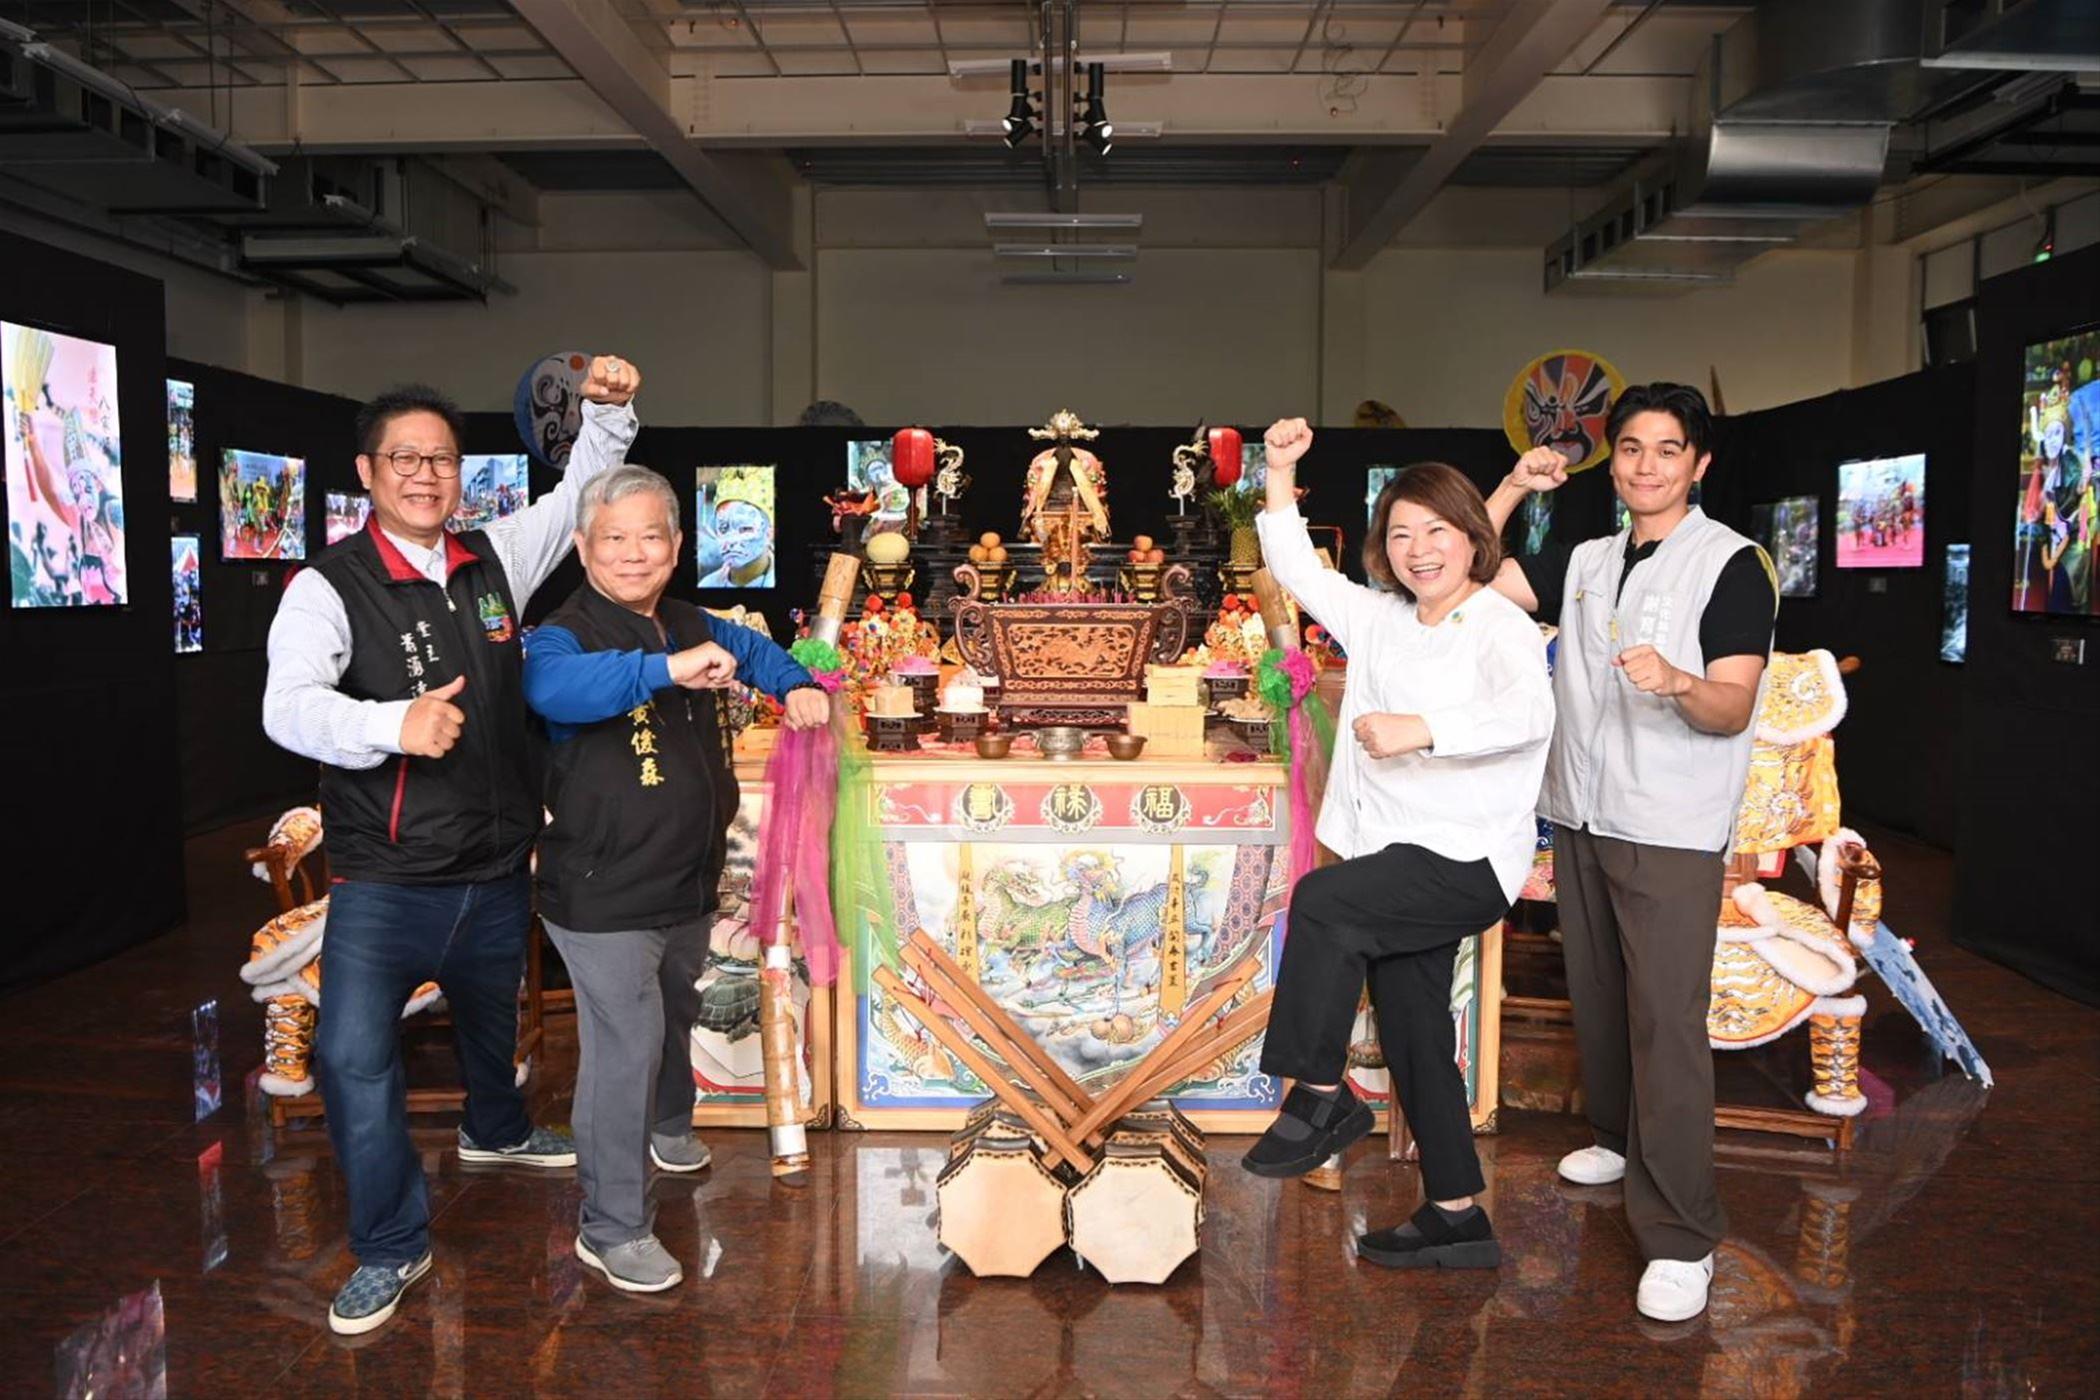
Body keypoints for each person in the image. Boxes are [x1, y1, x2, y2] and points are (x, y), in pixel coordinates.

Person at [262, 356, 642, 1336]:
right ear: (368, 471)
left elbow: (579, 496)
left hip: (496, 861)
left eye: (440, 458)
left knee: (489, 1018)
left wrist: (610, 410)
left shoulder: (491, 557)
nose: (425, 475)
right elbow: (286, 705)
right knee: (353, 1058)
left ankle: (496, 1129)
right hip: (386, 877)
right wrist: (393, 724)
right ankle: (390, 1245)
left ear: (459, 472)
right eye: (404, 458)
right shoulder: (327, 585)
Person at [1485, 381, 1778, 1324]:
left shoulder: (1731, 565)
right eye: (1631, 449)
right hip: (1579, 812)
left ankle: (1683, 1237)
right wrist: (1513, 486)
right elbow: (1468, 577)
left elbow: (1732, 705)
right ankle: (1616, 1138)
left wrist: (1680, 681)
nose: (1646, 466)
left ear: (1699, 464)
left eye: (1667, 450)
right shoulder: (1588, 558)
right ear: (1611, 462)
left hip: (1669, 826)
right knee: (1601, 996)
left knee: (1666, 1024)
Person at [1238, 417, 1554, 1271]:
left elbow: (1530, 715)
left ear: (1473, 538)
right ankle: (1456, 1214)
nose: (1420, 551)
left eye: (1437, 532)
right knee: (1415, 1025)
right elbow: (1297, 567)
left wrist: (1422, 728)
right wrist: (1279, 470)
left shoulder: (1497, 624)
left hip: (1464, 859)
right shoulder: (1380, 618)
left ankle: (1320, 1096)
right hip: (1394, 856)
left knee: (1321, 901)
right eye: (1403, 534)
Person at [522, 465, 830, 1293]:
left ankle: (667, 1125)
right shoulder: (561, 635)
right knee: (624, 1045)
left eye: (650, 536)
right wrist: (666, 670)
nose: (633, 553)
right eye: (614, 538)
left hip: (686, 878)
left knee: (674, 1009)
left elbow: (753, 651)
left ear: (677, 544)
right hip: (601, 887)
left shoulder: (691, 619)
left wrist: (795, 684)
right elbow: (554, 691)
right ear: (582, 546)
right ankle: (611, 1227)